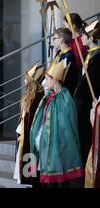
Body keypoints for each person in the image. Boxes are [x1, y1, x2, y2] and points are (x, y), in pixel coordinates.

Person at [30, 60, 84, 188]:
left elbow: (66, 127)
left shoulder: (65, 99)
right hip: (45, 148)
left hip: (59, 150)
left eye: (47, 79)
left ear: (54, 80)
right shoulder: (48, 97)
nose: (45, 82)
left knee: (59, 183)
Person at [74, 20, 100, 165]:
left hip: (90, 101)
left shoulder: (97, 57)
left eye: (83, 36)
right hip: (82, 100)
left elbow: (93, 82)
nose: (81, 38)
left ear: (90, 38)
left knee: (87, 134)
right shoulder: (89, 54)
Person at [14, 63, 44, 186]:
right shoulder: (29, 96)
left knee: (32, 161)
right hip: (25, 135)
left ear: (32, 81)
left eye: (27, 78)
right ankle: (29, 181)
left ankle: (33, 182)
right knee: (28, 162)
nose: (25, 80)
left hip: (31, 136)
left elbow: (32, 119)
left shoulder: (37, 98)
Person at [50, 27, 80, 95]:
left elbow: (65, 79)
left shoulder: (70, 56)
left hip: (64, 93)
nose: (53, 41)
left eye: (54, 38)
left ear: (61, 40)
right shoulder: (59, 54)